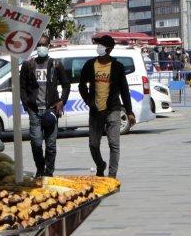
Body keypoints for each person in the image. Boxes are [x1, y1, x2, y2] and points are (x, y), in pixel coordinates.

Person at [78, 34, 134, 178]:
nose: (99, 47)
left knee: (114, 144)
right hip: (96, 110)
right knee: (93, 144)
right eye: (99, 44)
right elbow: (82, 85)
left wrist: (129, 111)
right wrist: (88, 101)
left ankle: (112, 175)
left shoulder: (117, 67)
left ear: (109, 49)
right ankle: (100, 164)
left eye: (102, 45)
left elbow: (124, 90)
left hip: (113, 109)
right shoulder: (90, 64)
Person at [19, 34, 71, 178]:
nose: (41, 47)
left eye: (44, 45)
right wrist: (26, 104)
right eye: (39, 45)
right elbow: (21, 87)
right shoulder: (28, 65)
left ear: (48, 46)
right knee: (36, 143)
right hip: (34, 110)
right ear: (36, 47)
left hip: (51, 110)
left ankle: (49, 171)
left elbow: (66, 85)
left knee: (50, 144)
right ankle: (40, 168)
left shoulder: (56, 65)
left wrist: (62, 101)